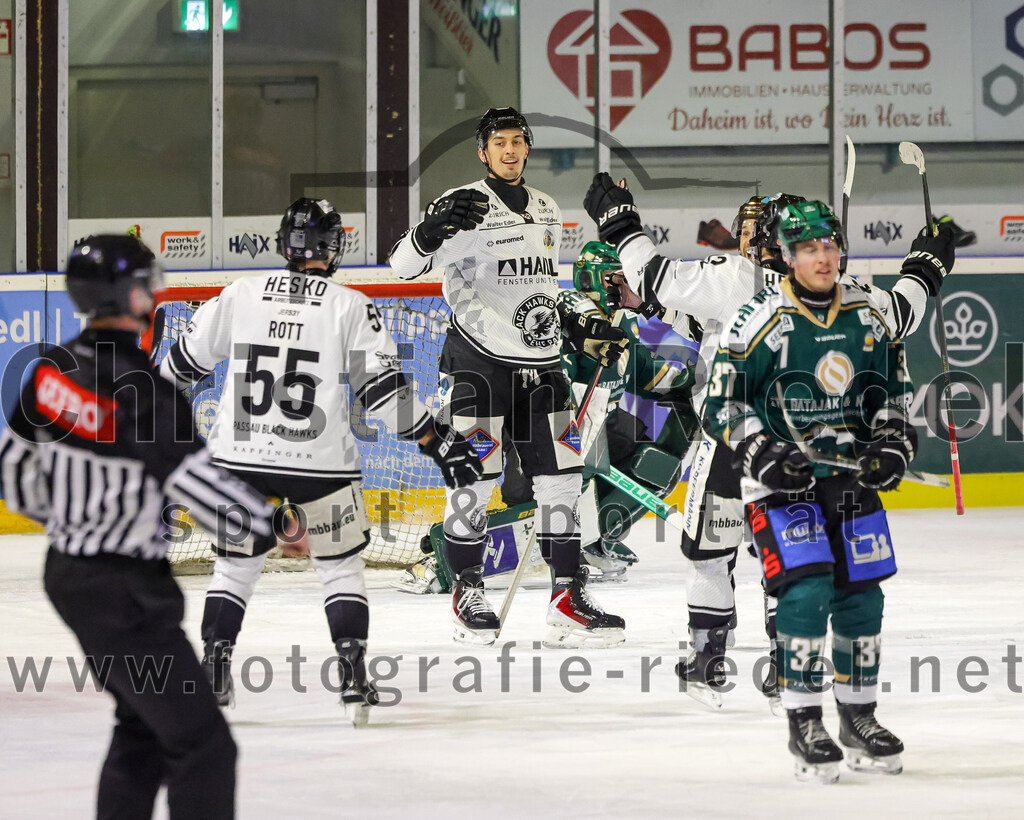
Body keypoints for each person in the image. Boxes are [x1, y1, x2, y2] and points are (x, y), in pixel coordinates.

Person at [582, 173, 956, 706]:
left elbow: (655, 273)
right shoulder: (837, 289)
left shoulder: (735, 276)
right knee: (774, 551)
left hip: (737, 444)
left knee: (726, 552)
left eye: (760, 231)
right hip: (792, 444)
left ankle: (720, 658)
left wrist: (618, 218)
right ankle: (775, 661)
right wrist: (927, 264)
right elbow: (899, 313)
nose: (750, 241)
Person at [159, 198, 482, 724]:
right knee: (339, 571)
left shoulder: (241, 294)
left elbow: (178, 369)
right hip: (319, 462)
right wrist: (435, 440)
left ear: (284, 244)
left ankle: (215, 672)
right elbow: (384, 392)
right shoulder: (348, 305)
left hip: (238, 459)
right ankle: (353, 679)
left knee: (234, 568)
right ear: (334, 249)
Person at [0, 235, 283, 819]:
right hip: (126, 595)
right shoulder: (145, 391)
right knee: (203, 746)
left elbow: (13, 473)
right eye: (147, 286)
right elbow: (201, 489)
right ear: (129, 295)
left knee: (142, 730)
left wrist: (77, 519)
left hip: (70, 576)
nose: (153, 296)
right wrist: (270, 523)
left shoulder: (50, 372)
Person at [389, 107, 627, 648]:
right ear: (483, 150)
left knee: (563, 476)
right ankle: (467, 588)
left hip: (542, 367)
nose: (511, 150)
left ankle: (567, 595)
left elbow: (542, 288)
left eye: (519, 140)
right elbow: (402, 266)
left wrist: (578, 324)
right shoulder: (462, 205)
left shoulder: (546, 207)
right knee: (476, 478)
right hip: (480, 364)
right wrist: (427, 231)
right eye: (500, 142)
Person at [703, 200, 917, 782]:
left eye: (830, 246)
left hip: (846, 479)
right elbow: (719, 405)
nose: (823, 257)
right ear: (787, 256)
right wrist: (762, 454)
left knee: (862, 597)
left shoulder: (869, 314)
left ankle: (858, 715)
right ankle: (804, 720)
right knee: (804, 594)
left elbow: (891, 395)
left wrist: (893, 444)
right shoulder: (758, 319)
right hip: (781, 486)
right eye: (808, 248)